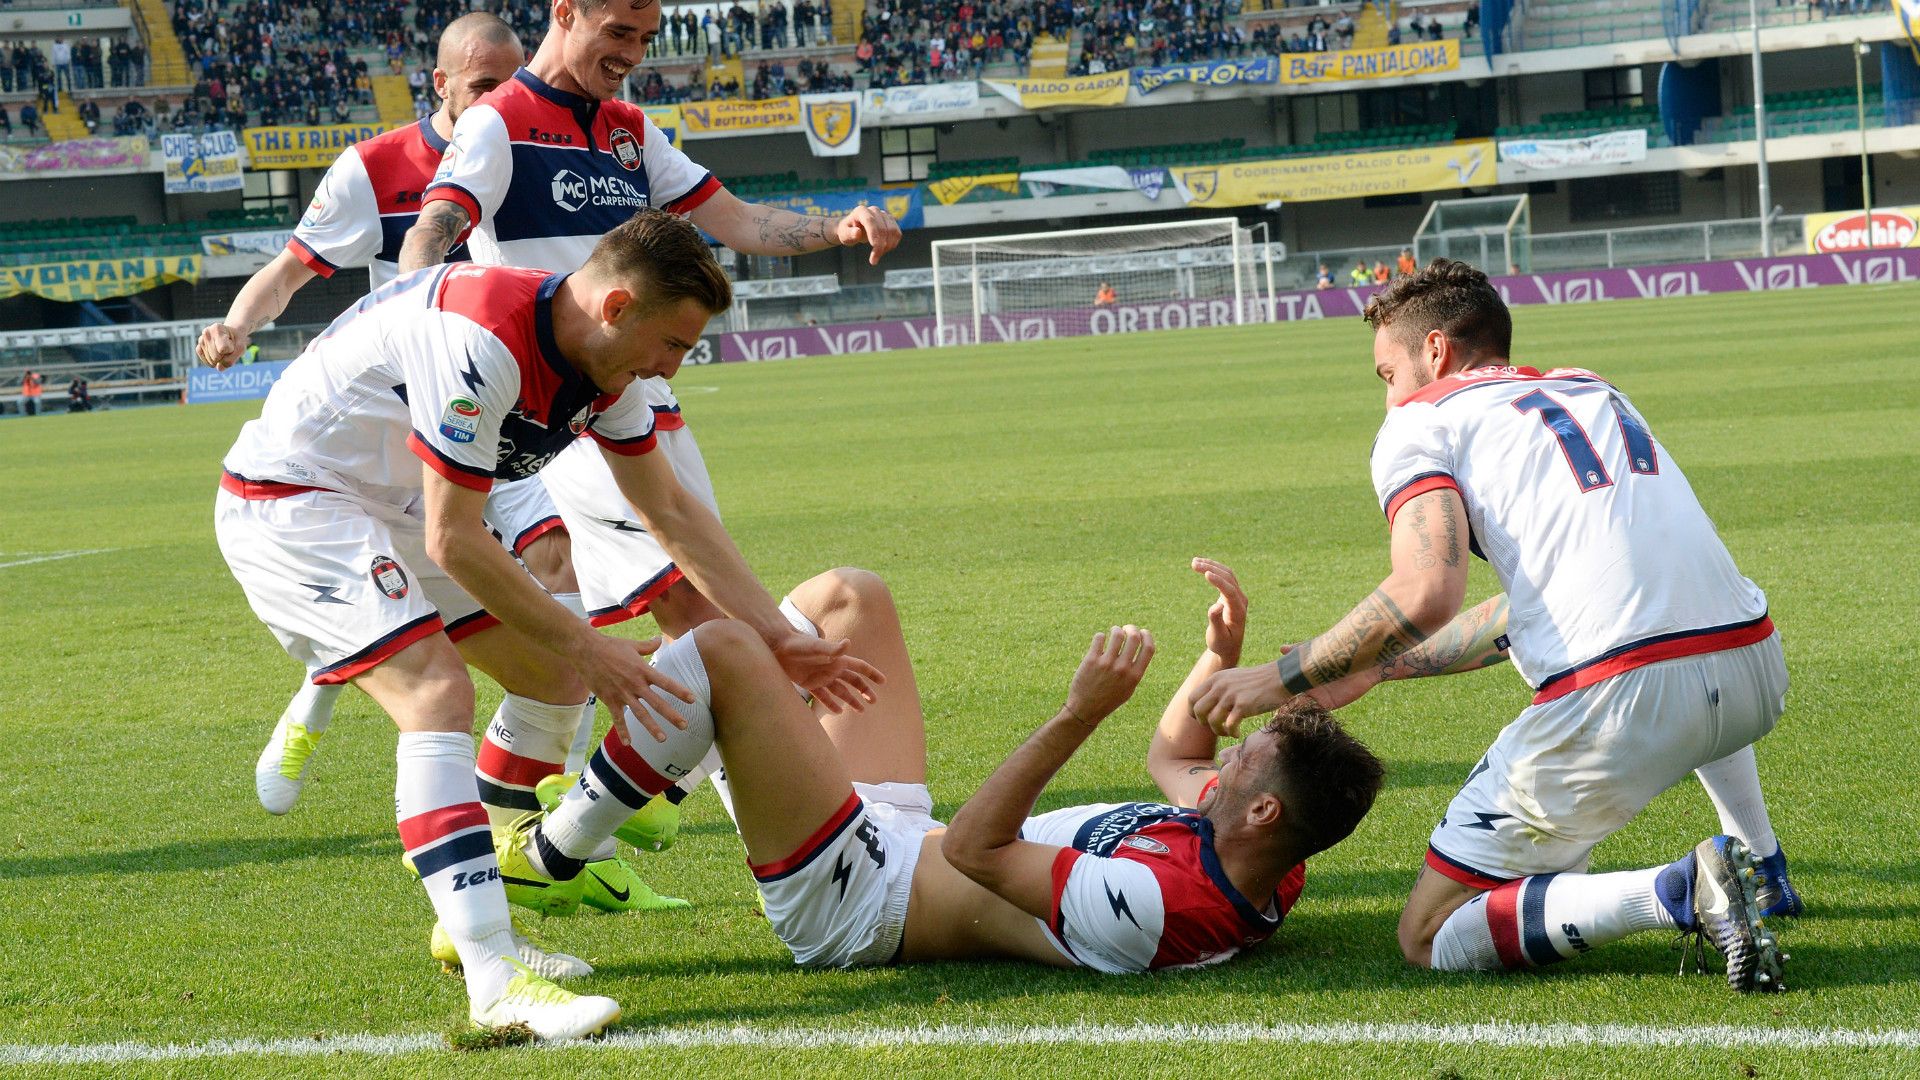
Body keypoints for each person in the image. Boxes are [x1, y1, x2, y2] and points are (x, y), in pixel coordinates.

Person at [216, 211, 874, 1038]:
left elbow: (671, 513)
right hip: (292, 500)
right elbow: (454, 540)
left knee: (553, 679)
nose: (672, 368)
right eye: (672, 344)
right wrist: (594, 647)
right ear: (616, 307)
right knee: (434, 693)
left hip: (390, 506)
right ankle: (492, 972)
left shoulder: (608, 372)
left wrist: (780, 639)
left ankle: (478, 910)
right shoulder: (483, 339)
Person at [399, 0, 901, 910]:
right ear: (566, 12)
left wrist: (836, 228)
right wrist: (420, 318)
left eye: (644, 37)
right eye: (617, 33)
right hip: (565, 401)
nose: (631, 54)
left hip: (642, 401)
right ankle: (763, 840)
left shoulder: (630, 131)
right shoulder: (500, 121)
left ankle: (593, 827)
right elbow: (434, 229)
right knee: (701, 618)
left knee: (702, 630)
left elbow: (735, 219)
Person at [1189, 260, 1796, 992]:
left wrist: (1278, 678)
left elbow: (1427, 591)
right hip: (1755, 667)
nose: (1389, 397)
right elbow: (1531, 612)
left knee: (1429, 932)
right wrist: (1379, 664)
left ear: (1435, 350)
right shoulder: (1590, 387)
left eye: (1388, 374)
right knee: (1676, 626)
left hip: (1620, 697)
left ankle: (1677, 891)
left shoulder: (1422, 420)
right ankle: (1764, 865)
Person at [501, 559, 1384, 974]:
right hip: (898, 836)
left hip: (856, 903)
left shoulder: (1159, 908)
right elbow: (1176, 753)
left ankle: (555, 852)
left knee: (722, 647)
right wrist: (1218, 655)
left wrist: (1079, 714)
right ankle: (672, 770)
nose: (1225, 757)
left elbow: (973, 850)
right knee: (853, 597)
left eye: (1245, 758)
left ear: (1263, 811)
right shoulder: (1263, 848)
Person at [195, 16, 606, 845]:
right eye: (483, 85)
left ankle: (553, 796)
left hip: (506, 401)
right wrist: (237, 324)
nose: (501, 98)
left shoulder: (538, 148)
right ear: (440, 84)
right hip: (404, 418)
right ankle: (322, 684)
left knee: (555, 562)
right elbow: (292, 268)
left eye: (512, 82)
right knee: (405, 605)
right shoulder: (375, 168)